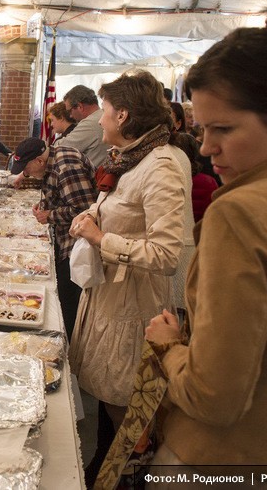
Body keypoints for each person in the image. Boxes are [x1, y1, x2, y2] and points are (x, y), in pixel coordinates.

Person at [144, 8, 267, 480]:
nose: (208, 146)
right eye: (202, 128)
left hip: (225, 460)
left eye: (224, 129)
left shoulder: (242, 214)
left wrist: (169, 347)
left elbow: (213, 397)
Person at [67, 71, 189, 486]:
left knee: (128, 421)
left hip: (133, 311)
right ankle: (102, 471)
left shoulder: (162, 166)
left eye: (102, 112)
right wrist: (91, 218)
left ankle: (121, 478)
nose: (98, 121)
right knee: (108, 413)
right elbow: (123, 214)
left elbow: (166, 254)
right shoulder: (131, 157)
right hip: (108, 302)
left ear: (122, 115)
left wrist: (102, 238)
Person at [10, 137, 97, 335]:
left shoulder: (66, 167)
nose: (27, 173)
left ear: (39, 161)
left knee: (69, 301)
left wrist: (49, 215)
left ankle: (70, 344)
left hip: (77, 245)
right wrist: (45, 205)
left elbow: (84, 210)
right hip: (65, 238)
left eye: (27, 167)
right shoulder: (53, 161)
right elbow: (61, 195)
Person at [61, 85, 109, 167]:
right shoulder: (103, 116)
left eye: (69, 111)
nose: (70, 116)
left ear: (80, 106)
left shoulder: (89, 124)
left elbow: (61, 148)